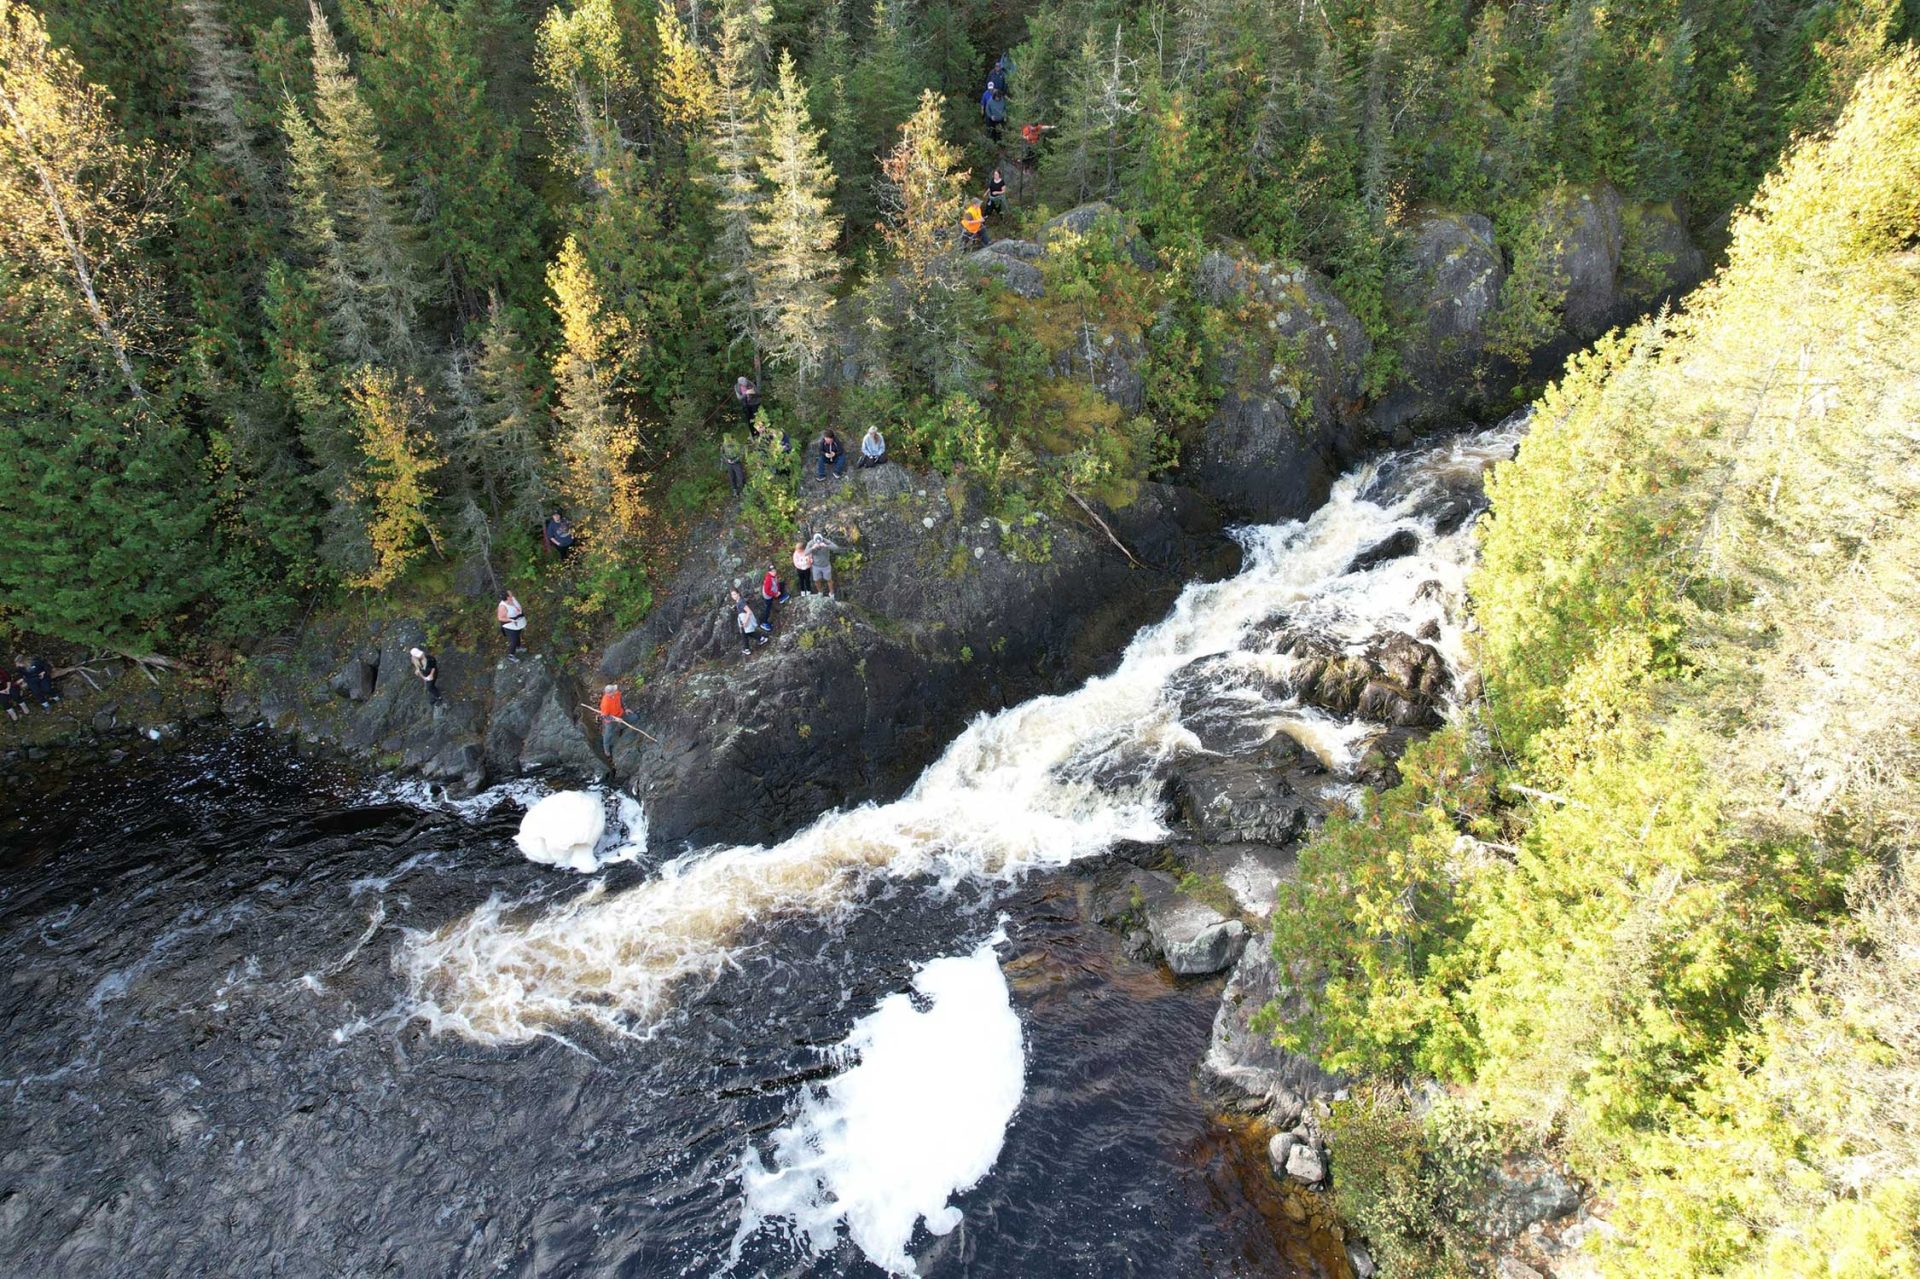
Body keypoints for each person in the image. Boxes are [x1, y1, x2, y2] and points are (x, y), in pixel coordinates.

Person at [805, 531, 841, 598]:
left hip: (826, 566)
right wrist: (812, 548)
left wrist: (826, 546)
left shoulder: (826, 541)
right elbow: (805, 553)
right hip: (816, 566)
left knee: (829, 580)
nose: (818, 543)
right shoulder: (811, 543)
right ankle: (820, 592)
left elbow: (836, 548)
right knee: (816, 580)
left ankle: (832, 594)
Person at [597, 683, 628, 760]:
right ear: (609, 693)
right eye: (614, 690)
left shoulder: (617, 693)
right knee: (608, 734)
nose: (616, 690)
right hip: (610, 720)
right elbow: (604, 716)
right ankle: (606, 748)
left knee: (632, 719)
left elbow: (621, 700)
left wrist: (626, 708)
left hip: (620, 713)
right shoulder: (605, 703)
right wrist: (615, 719)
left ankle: (620, 727)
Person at [496, 590, 528, 660]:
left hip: (518, 622)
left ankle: (518, 647)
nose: (511, 593)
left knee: (518, 635)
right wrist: (511, 620)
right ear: (507, 597)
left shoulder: (512, 599)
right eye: (510, 593)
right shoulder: (503, 607)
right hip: (509, 625)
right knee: (514, 639)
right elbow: (500, 618)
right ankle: (511, 654)